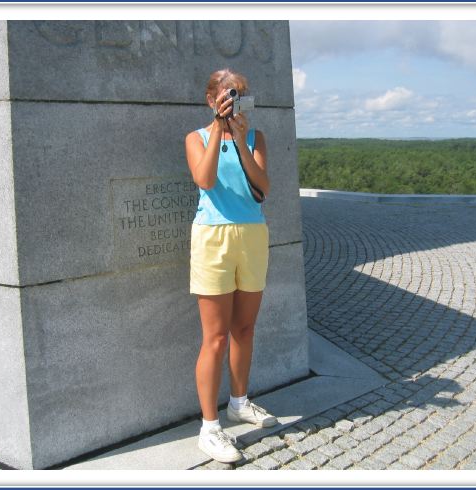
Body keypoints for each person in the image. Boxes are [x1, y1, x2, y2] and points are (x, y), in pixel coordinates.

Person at [185, 68, 277, 464]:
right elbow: (204, 180)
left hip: (252, 236)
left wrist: (239, 138)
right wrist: (218, 132)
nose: (233, 100)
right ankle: (209, 427)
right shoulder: (196, 138)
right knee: (216, 337)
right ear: (211, 100)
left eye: (239, 93)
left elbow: (263, 188)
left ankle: (239, 401)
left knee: (244, 328)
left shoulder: (255, 138)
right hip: (212, 238)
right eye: (226, 95)